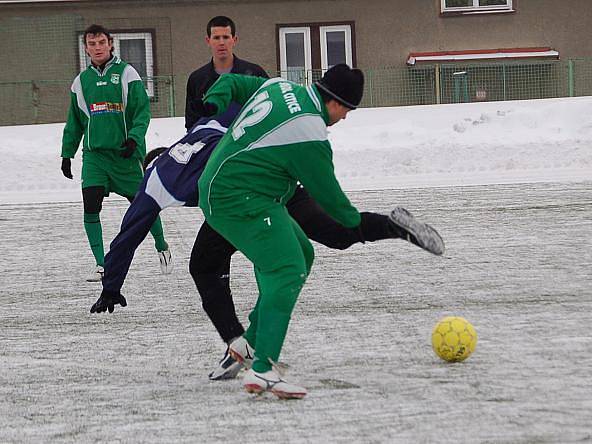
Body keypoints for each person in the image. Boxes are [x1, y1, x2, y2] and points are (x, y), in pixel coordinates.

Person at [89, 97, 443, 390]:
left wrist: (111, 285)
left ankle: (240, 344)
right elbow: (247, 111)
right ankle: (394, 226)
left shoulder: (153, 183)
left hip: (238, 202)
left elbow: (127, 236)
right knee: (336, 233)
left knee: (209, 265)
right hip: (274, 181)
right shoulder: (201, 130)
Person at [197, 65, 445, 399]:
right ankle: (264, 370)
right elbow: (336, 205)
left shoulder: (280, 86)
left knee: (302, 253)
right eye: (347, 110)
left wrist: (215, 99)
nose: (344, 118)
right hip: (237, 197)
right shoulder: (310, 133)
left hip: (241, 189)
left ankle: (252, 343)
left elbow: (232, 82)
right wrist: (365, 222)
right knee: (287, 269)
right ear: (336, 101)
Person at [60, 24, 171, 282]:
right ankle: (101, 264)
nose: (97, 47)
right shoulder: (81, 82)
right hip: (95, 157)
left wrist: (133, 140)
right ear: (86, 48)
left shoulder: (127, 74)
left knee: (144, 206)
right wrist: (67, 153)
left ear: (110, 44)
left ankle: (162, 245)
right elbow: (74, 121)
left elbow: (141, 112)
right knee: (90, 207)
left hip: (124, 156)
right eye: (92, 43)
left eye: (101, 42)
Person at [185, 16, 268, 130]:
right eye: (216, 38)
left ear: (234, 40)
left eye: (226, 37)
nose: (221, 42)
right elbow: (191, 124)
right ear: (208, 41)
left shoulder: (255, 73)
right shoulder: (197, 79)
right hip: (213, 144)